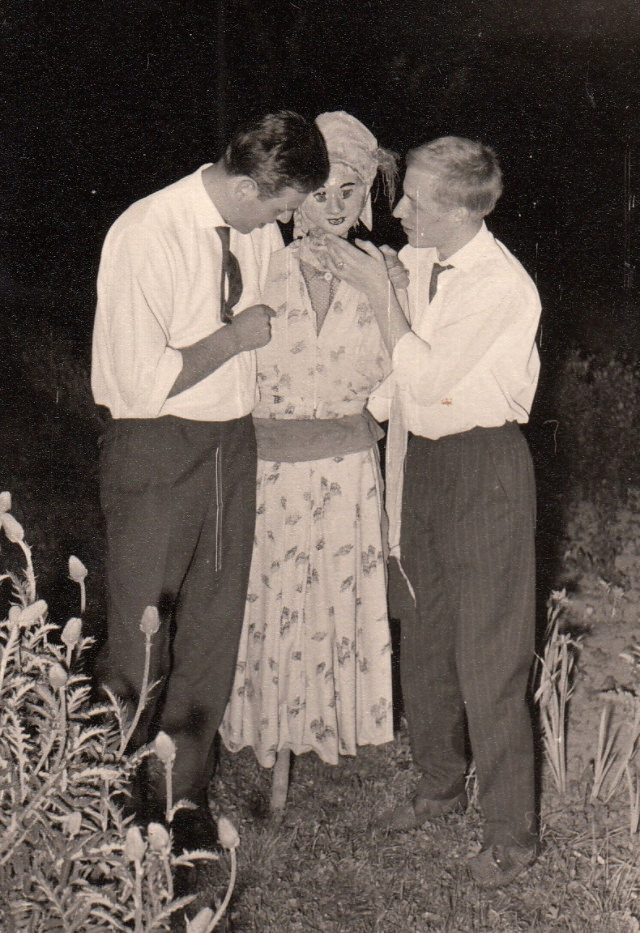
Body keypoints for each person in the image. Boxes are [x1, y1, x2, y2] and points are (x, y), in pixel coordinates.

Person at [91, 111, 329, 855]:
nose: (291, 219)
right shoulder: (148, 231)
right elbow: (140, 383)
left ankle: (182, 792)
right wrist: (233, 338)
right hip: (157, 444)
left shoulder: (257, 232)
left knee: (212, 630)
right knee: (143, 632)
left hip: (232, 442)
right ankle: (113, 797)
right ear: (252, 184)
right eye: (286, 203)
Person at [321, 136, 541, 888]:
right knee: (425, 632)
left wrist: (385, 300)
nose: (400, 208)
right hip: (423, 463)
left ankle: (512, 834)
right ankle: (439, 786)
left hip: (484, 467)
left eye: (413, 199)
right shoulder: (420, 261)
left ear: (457, 210)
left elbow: (434, 375)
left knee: (489, 655)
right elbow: (397, 378)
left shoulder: (500, 284)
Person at [219, 112, 398, 809]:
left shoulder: (387, 274)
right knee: (272, 603)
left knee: (330, 604)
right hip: (269, 472)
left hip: (347, 473)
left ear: (366, 199)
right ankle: (271, 739)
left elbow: (398, 381)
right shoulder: (260, 267)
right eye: (320, 192)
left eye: (348, 194)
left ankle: (323, 725)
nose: (331, 209)